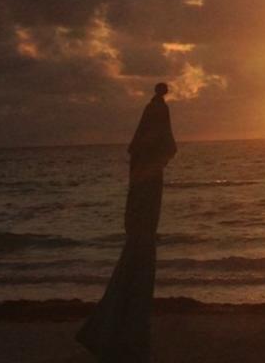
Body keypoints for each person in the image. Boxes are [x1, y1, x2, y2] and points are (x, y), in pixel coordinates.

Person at [77, 83, 177, 362]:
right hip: (142, 233)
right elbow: (170, 147)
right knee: (137, 275)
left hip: (140, 229)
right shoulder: (149, 169)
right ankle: (124, 339)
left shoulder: (141, 165)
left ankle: (117, 334)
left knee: (133, 273)